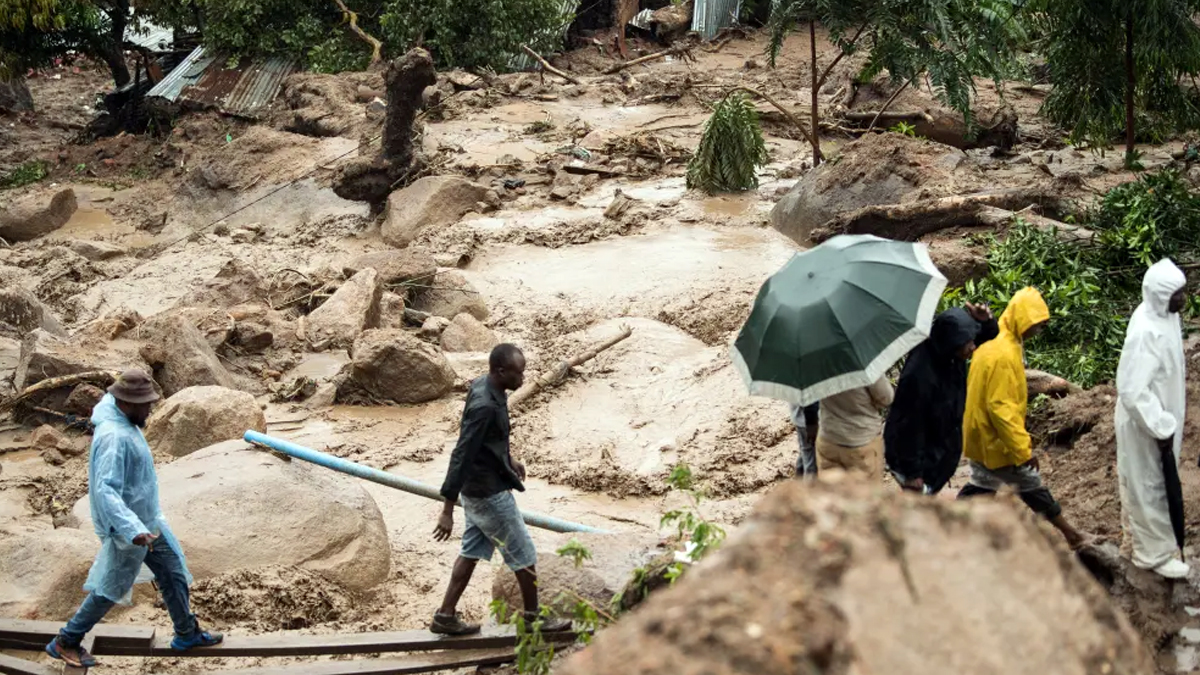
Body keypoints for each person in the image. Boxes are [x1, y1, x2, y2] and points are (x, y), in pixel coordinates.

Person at [46, 370, 222, 669]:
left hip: (147, 519)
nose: (150, 410)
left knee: (173, 572)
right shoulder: (114, 437)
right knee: (110, 587)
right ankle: (66, 640)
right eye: (145, 405)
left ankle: (186, 632)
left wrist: (144, 523)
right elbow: (105, 490)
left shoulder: (122, 421)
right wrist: (132, 529)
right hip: (127, 527)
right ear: (125, 403)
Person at [431, 344, 571, 635]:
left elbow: (487, 441)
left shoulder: (487, 386)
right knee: (525, 553)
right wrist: (447, 509)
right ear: (501, 371)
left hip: (478, 488)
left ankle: (445, 616)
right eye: (519, 373)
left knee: (470, 552)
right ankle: (534, 619)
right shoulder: (484, 405)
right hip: (488, 493)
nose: (523, 378)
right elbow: (462, 453)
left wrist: (508, 459)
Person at [957, 287, 1090, 549]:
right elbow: (1001, 408)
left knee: (982, 485)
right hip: (996, 438)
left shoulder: (997, 342)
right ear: (1022, 319)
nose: (1037, 331)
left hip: (980, 433)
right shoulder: (1004, 355)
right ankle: (1072, 535)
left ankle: (949, 527)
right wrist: (1022, 448)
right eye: (1036, 325)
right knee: (1030, 483)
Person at [1115, 259, 1189, 579]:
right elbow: (1131, 390)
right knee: (1151, 486)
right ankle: (1153, 555)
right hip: (1146, 424)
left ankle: (1133, 540)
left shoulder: (1164, 317)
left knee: (1143, 482)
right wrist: (1160, 426)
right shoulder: (1147, 331)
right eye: (1177, 294)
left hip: (1160, 419)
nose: (1184, 299)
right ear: (1160, 295)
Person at [885, 303, 999, 494]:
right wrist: (913, 473)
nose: (973, 347)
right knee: (916, 512)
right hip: (917, 460)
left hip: (939, 450)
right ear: (952, 343)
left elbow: (987, 336)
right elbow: (909, 426)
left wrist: (985, 322)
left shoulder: (949, 352)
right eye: (968, 343)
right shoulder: (919, 376)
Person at [815, 376, 894, 478]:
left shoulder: (819, 366)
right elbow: (887, 397)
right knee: (865, 492)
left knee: (832, 491)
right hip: (861, 440)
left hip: (828, 439)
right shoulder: (863, 367)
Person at [790, 402, 820, 478]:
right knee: (811, 462)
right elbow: (811, 404)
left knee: (805, 451)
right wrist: (812, 426)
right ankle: (809, 487)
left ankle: (798, 481)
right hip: (808, 421)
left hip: (798, 417)